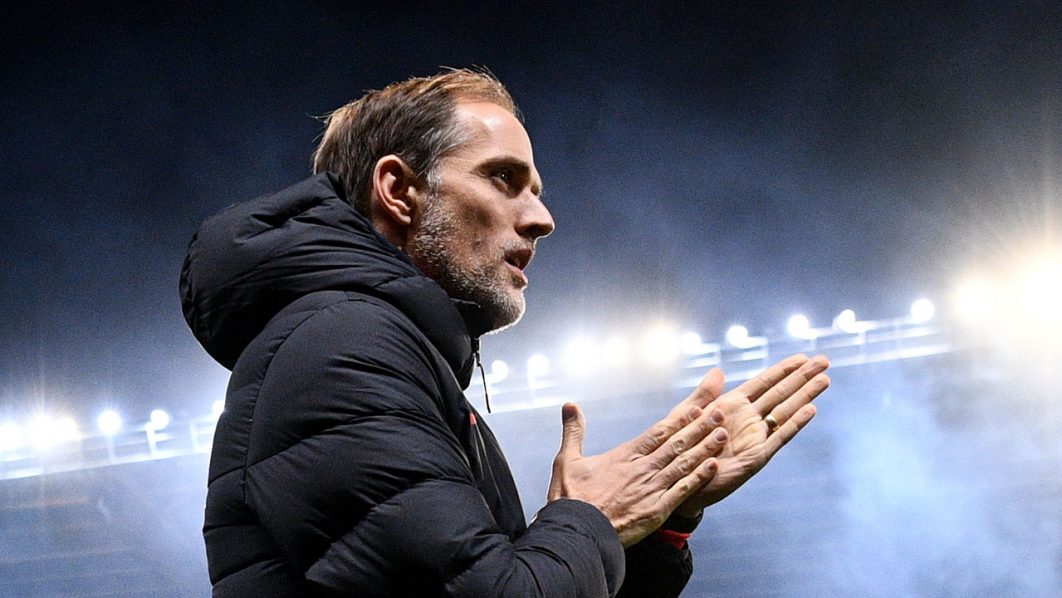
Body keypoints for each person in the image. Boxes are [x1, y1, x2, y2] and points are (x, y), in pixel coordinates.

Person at [180, 69, 830, 597]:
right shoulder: (341, 348)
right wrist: (591, 519)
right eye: (504, 179)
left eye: (536, 190)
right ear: (399, 190)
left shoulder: (379, 350)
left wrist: (661, 519)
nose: (542, 218)